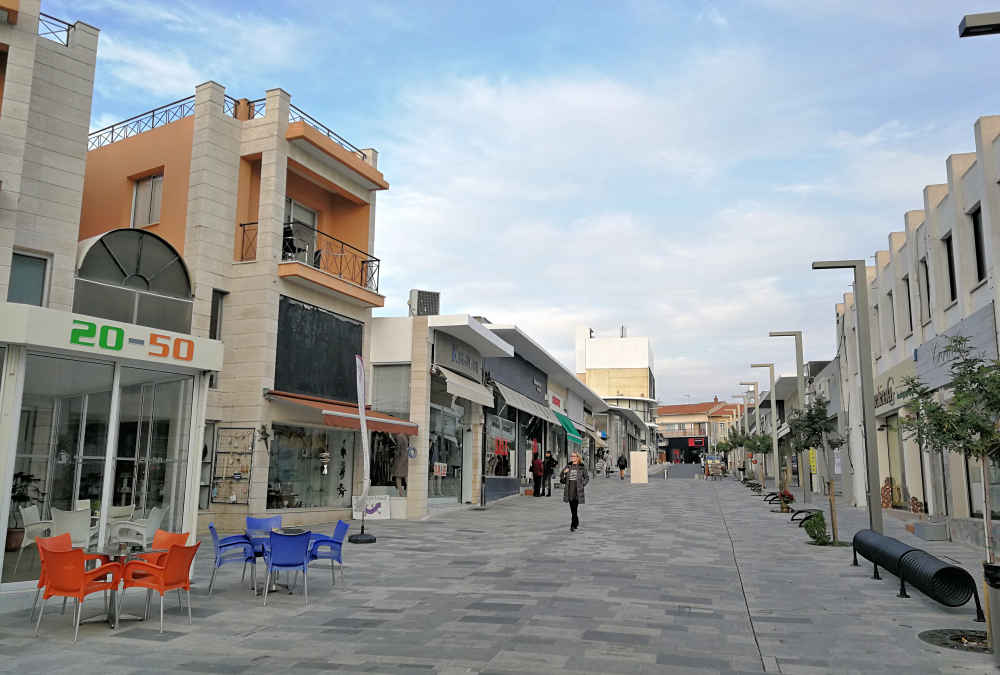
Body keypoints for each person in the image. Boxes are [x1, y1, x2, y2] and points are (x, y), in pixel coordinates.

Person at [560, 451, 589, 532]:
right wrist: (564, 472)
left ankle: (573, 525)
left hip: (577, 490)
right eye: (571, 456)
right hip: (569, 489)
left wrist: (582, 484)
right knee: (572, 508)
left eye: (574, 456)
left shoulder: (582, 467)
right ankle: (576, 521)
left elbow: (587, 477)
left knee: (574, 508)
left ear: (577, 457)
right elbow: (561, 475)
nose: (572, 457)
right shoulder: (568, 466)